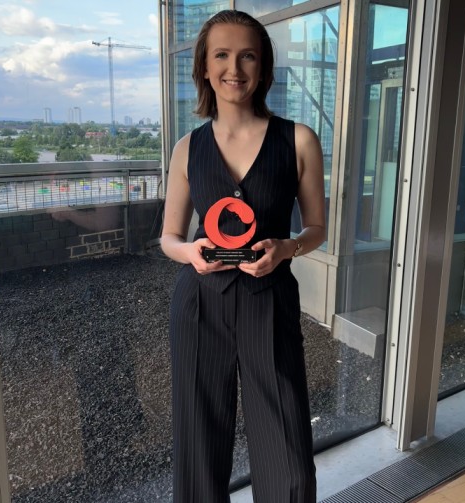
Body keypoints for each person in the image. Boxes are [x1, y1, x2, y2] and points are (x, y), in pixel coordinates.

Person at [159, 10, 325, 502]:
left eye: (248, 55)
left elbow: (317, 228)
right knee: (198, 449)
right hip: (198, 307)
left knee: (287, 454)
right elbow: (168, 237)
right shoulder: (188, 148)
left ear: (264, 67)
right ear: (205, 68)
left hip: (269, 302)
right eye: (223, 55)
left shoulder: (298, 139)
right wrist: (190, 251)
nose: (236, 67)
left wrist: (288, 247)